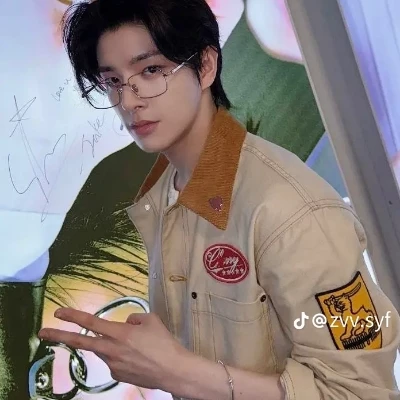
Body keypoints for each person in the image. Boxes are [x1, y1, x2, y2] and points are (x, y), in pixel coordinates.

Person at [38, 0, 400, 399]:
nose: (128, 100)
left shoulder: (292, 211)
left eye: (151, 70)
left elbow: (361, 393)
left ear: (206, 66)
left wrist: (174, 371)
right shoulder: (163, 196)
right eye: (112, 80)